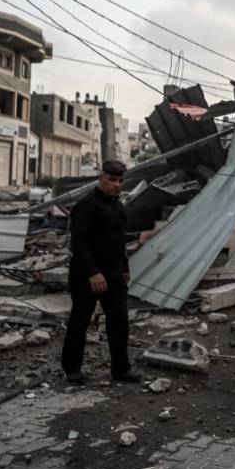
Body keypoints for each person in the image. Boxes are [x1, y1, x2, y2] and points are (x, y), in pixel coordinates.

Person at [61, 159, 142, 383]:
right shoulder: (87, 205)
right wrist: (93, 272)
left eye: (120, 180)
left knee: (119, 322)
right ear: (101, 178)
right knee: (80, 320)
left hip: (114, 274)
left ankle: (121, 369)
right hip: (87, 276)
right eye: (112, 179)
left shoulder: (118, 206)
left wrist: (125, 268)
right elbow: (78, 243)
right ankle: (72, 369)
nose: (117, 184)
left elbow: (120, 241)